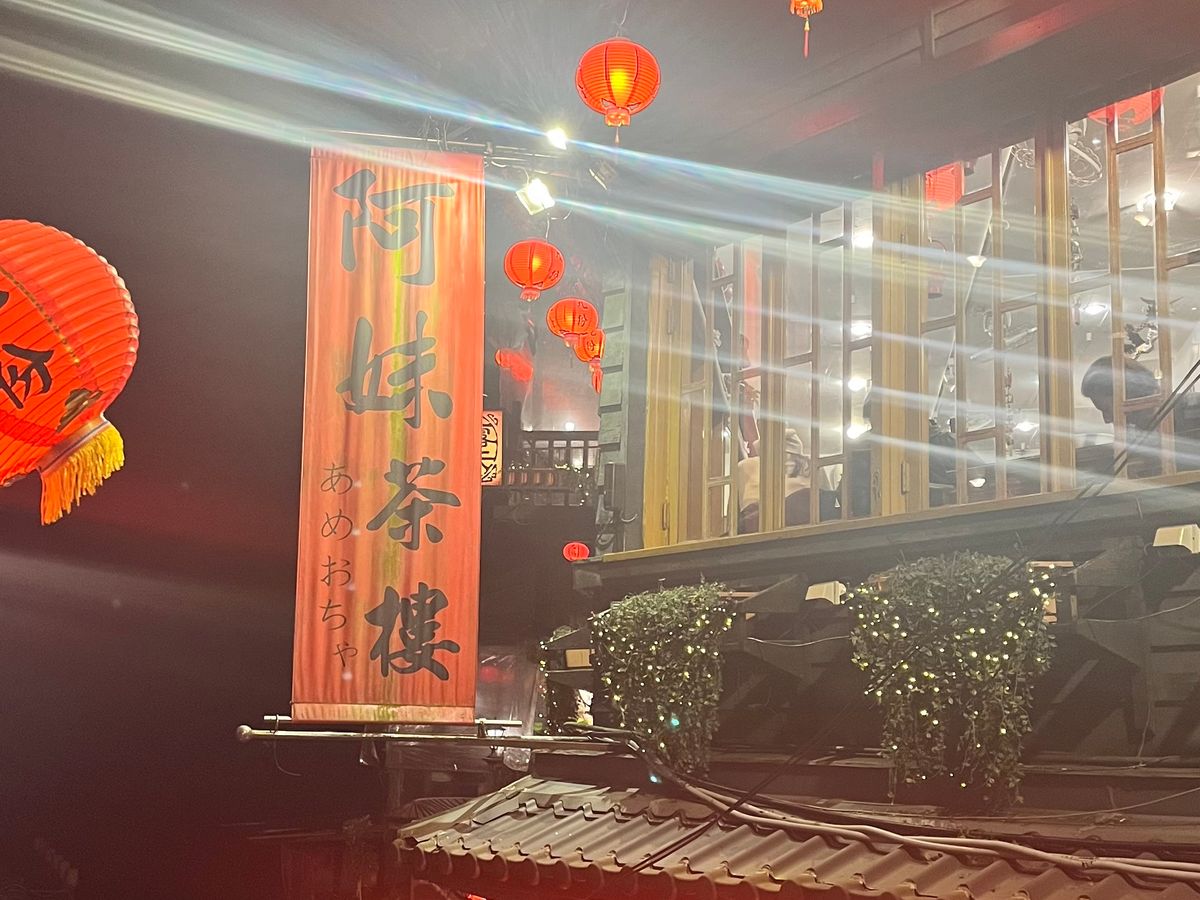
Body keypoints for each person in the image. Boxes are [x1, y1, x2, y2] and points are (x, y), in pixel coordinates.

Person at [1080, 355, 1200, 474]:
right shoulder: (1133, 439)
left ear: (1130, 395)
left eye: (1106, 409)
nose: (1106, 419)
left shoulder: (1195, 408)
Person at [737, 429, 811, 533]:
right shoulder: (746, 467)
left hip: (803, 534)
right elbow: (734, 514)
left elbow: (824, 505)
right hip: (754, 534)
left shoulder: (811, 466)